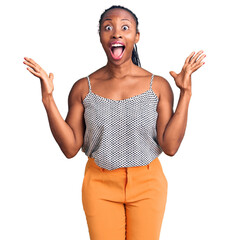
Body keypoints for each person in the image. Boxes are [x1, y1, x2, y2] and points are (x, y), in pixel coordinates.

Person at [23, 5, 206, 240]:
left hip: (148, 184)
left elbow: (170, 147)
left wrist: (186, 93)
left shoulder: (158, 86)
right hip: (99, 185)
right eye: (108, 27)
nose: (116, 33)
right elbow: (70, 149)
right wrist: (48, 99)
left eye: (125, 27)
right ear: (101, 36)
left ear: (136, 36)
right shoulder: (82, 88)